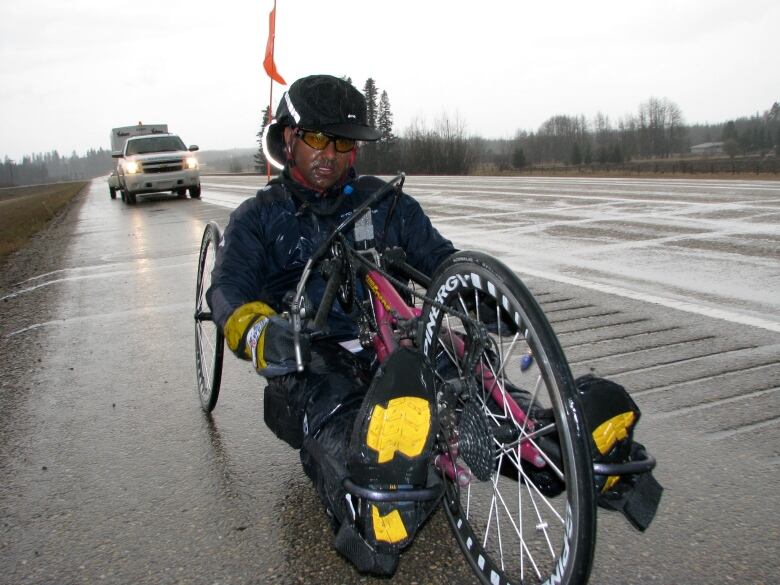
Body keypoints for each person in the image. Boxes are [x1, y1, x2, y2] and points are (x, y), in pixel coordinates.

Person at [206, 74, 457, 575]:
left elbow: (441, 260)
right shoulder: (259, 218)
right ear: (290, 139)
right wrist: (257, 329)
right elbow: (228, 291)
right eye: (317, 138)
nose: (329, 153)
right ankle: (376, 501)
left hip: (390, 344)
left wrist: (474, 293)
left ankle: (566, 440)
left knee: (463, 374)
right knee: (333, 406)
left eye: (342, 142)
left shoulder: (384, 204)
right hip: (310, 357)